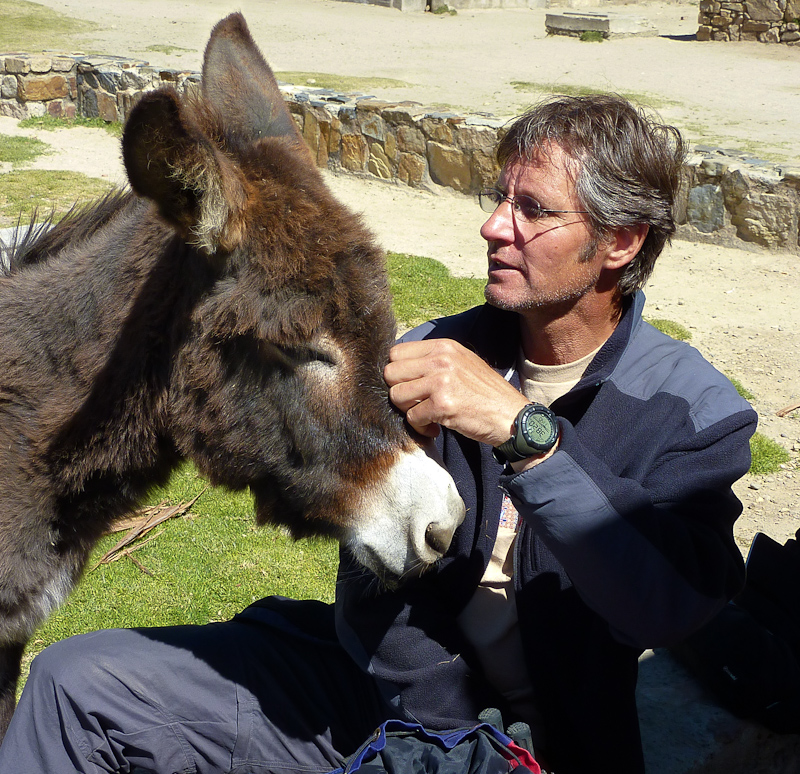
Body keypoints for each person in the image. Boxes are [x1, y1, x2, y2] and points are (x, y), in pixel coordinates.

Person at [0, 94, 756, 774]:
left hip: (546, 741)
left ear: (620, 243)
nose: (494, 226)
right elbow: (375, 595)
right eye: (499, 198)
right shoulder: (430, 351)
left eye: (533, 210)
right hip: (388, 700)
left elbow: (669, 607)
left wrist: (526, 436)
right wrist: (441, 739)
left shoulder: (690, 410)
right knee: (76, 683)